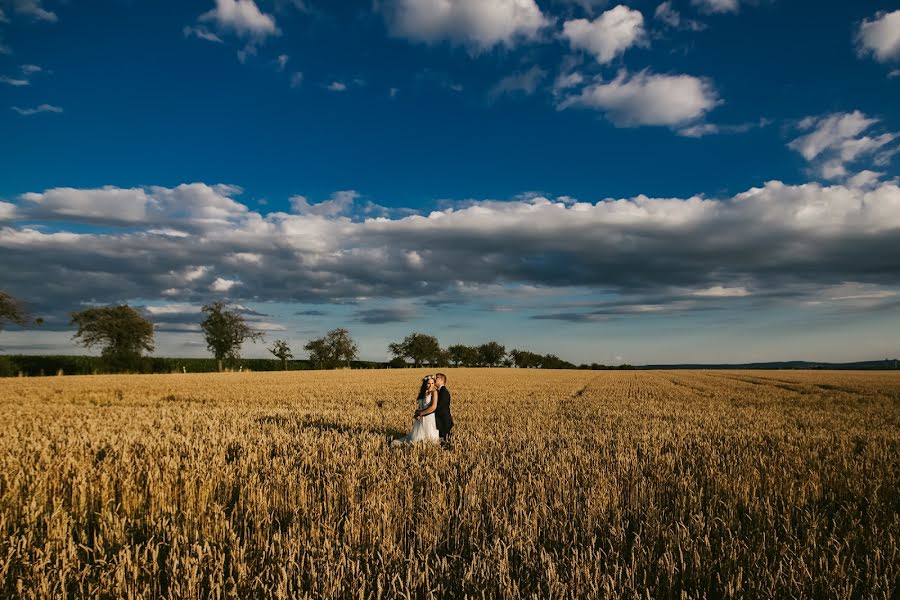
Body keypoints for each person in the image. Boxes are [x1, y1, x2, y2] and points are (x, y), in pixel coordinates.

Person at [392, 375, 440, 446]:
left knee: (429, 436)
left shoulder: (434, 392)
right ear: (425, 384)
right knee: (418, 436)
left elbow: (433, 407)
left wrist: (421, 413)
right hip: (420, 418)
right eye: (429, 383)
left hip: (429, 417)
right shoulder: (423, 393)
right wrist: (417, 413)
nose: (431, 385)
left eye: (432, 383)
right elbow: (421, 406)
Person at [432, 372, 453, 446]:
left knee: (445, 443)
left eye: (436, 378)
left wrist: (425, 412)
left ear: (441, 380)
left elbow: (438, 407)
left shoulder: (444, 392)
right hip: (440, 421)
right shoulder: (438, 391)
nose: (434, 379)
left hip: (444, 422)